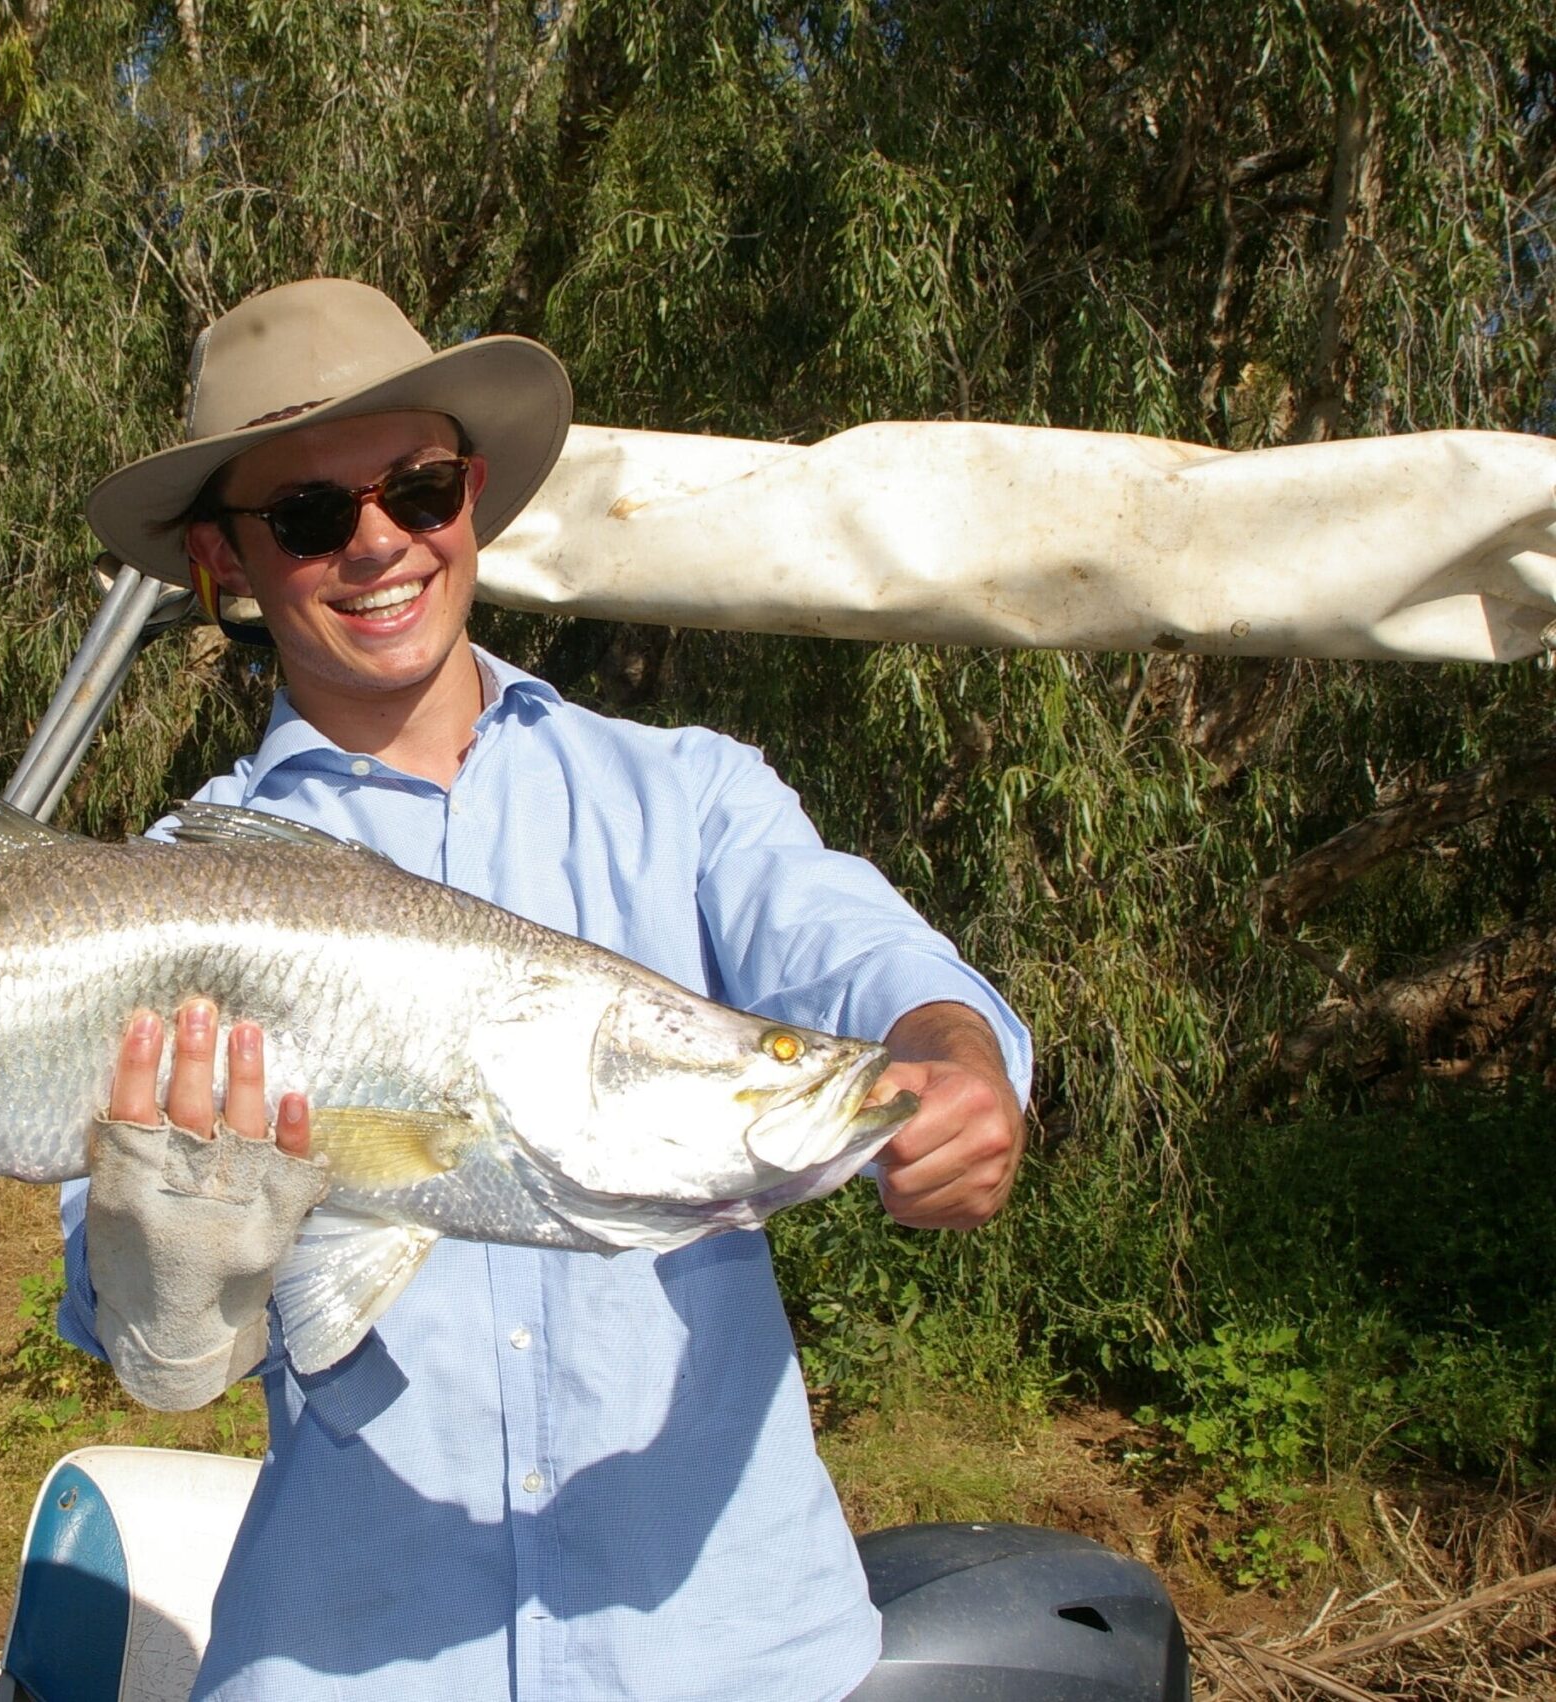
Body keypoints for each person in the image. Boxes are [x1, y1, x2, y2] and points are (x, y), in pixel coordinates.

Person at [56, 278, 1031, 1701]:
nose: (379, 540)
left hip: (736, 1657)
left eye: (420, 486)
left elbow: (877, 968)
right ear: (225, 559)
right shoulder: (156, 896)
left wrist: (954, 1056)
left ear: (476, 495)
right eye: (313, 515)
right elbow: (140, 1327)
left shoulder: (688, 794)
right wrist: (169, 1284)